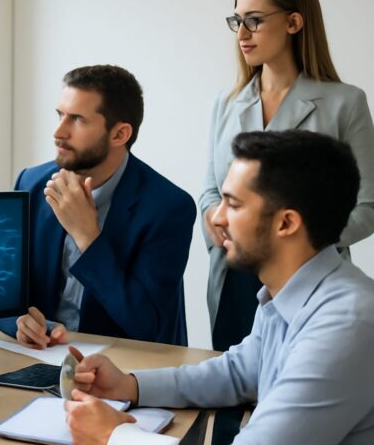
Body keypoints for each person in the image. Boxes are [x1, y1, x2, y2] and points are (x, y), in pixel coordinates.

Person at [65, 130, 374, 445]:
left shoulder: (347, 323)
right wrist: (130, 386)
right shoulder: (293, 291)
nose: (217, 218)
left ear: (286, 223)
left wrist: (114, 434)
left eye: (234, 204)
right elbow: (239, 372)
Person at [201, 0, 374, 353]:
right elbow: (210, 190)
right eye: (237, 21)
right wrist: (217, 224)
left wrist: (300, 245)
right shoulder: (226, 103)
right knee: (229, 392)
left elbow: (368, 205)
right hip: (234, 275)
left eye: (255, 21)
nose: (242, 34)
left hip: (311, 279)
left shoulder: (345, 103)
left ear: (294, 22)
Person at [0, 65, 196, 346]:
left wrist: (87, 236)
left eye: (77, 119)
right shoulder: (31, 183)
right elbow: (3, 291)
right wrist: (19, 321)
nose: (58, 132)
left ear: (119, 134)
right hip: (43, 356)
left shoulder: (168, 207)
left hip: (125, 368)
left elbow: (147, 326)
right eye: (60, 115)